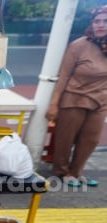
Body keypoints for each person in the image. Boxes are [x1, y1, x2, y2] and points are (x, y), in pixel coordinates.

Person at [45, 5, 107, 188]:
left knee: (91, 139)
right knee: (66, 138)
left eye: (105, 21)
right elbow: (63, 76)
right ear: (91, 23)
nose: (100, 25)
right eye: (97, 21)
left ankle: (77, 171)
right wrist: (54, 104)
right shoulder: (78, 46)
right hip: (74, 98)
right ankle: (62, 172)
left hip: (100, 101)